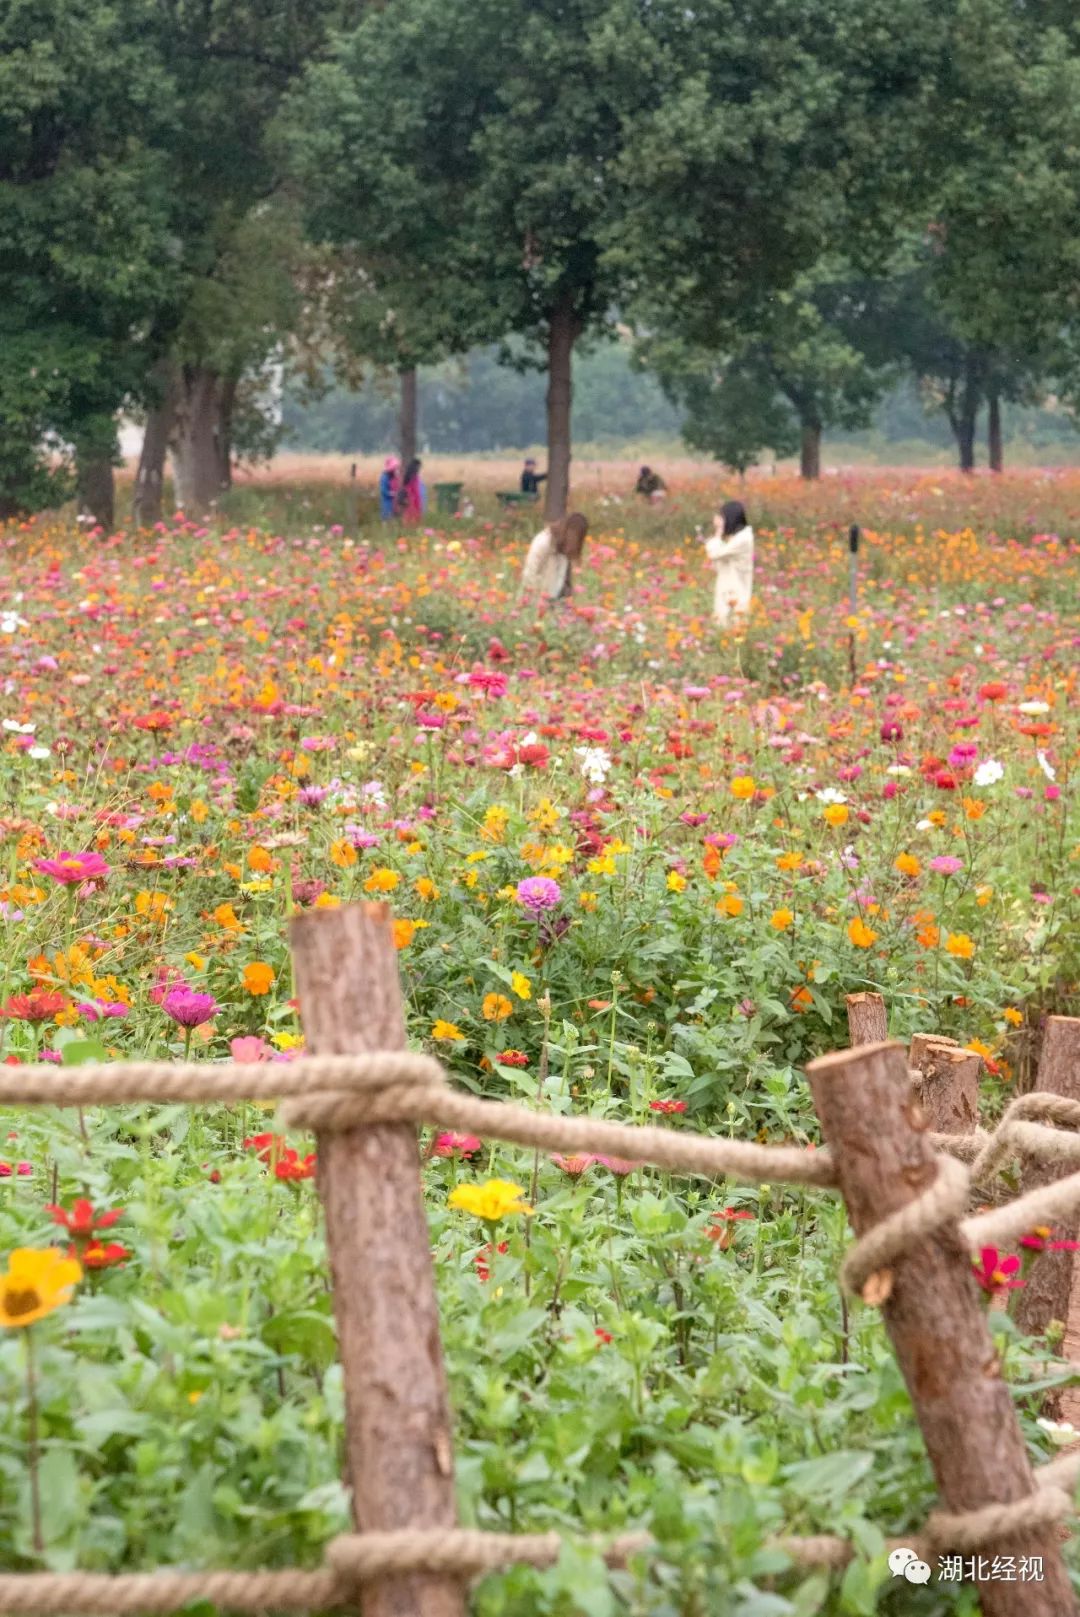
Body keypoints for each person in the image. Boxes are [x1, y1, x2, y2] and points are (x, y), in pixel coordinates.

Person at [704, 499, 754, 627]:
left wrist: (719, 531)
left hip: (735, 587)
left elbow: (714, 553)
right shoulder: (738, 537)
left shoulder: (743, 539)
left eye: (722, 517)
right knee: (726, 622)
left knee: (734, 623)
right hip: (729, 584)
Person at [520, 512, 588, 605]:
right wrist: (536, 600)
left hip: (555, 599)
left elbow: (565, 583)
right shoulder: (543, 542)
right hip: (537, 600)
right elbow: (529, 574)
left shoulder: (564, 549)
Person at [398, 457, 425, 522]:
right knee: (413, 519)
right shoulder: (413, 477)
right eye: (419, 466)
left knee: (409, 518)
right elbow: (413, 490)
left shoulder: (408, 476)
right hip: (412, 501)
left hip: (411, 500)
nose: (419, 468)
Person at [378, 456, 399, 520]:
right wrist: (393, 493)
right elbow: (383, 491)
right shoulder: (384, 477)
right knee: (387, 519)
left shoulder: (394, 476)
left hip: (395, 504)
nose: (396, 469)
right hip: (387, 503)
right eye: (394, 467)